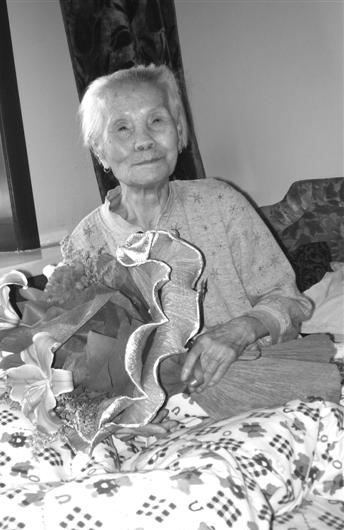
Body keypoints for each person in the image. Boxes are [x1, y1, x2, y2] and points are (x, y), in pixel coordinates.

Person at [59, 64, 314, 413]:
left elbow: (289, 300)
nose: (144, 140)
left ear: (179, 132)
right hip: (145, 416)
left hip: (251, 386)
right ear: (100, 151)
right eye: (122, 128)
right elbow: (79, 356)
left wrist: (238, 331)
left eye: (157, 121)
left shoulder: (221, 203)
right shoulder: (84, 245)